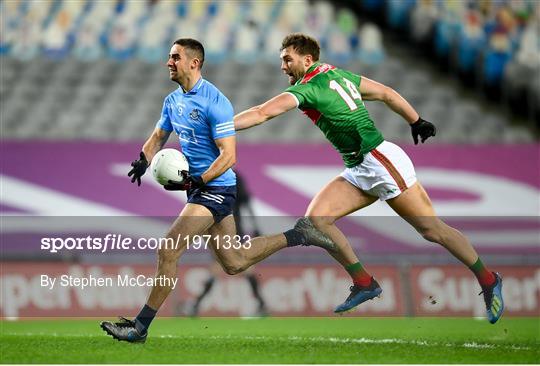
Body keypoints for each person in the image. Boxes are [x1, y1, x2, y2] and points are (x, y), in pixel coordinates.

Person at [233, 33, 504, 324]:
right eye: (282, 60)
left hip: (380, 162)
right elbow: (386, 92)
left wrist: (221, 128)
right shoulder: (338, 74)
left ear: (308, 59)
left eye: (288, 59)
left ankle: (489, 280)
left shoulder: (309, 88)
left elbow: (261, 113)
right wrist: (415, 120)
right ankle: (364, 282)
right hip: (360, 167)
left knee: (432, 230)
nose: (283, 66)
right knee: (316, 222)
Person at [100, 38, 335, 343]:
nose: (168, 62)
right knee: (234, 262)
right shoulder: (173, 101)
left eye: (175, 57)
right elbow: (158, 137)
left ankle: (139, 327)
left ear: (193, 63)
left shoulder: (216, 101)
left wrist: (201, 180)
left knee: (169, 248)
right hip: (200, 190)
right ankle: (299, 234)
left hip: (216, 189)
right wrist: (142, 160)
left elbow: (229, 156)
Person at [188, 172, 268, 317]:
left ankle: (196, 305)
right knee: (236, 266)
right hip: (219, 228)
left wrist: (255, 225)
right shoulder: (209, 176)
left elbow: (246, 203)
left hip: (233, 229)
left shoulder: (233, 177)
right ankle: (262, 304)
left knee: (229, 266)